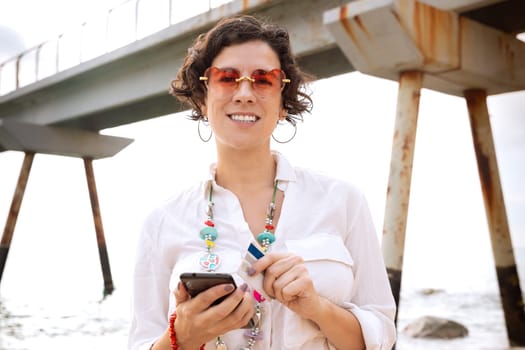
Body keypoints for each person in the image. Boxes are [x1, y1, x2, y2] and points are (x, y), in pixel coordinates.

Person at [128, 14, 396, 350]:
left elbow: (383, 337)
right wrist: (180, 336)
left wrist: (317, 307)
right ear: (202, 97)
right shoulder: (161, 222)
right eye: (227, 78)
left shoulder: (343, 200)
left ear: (283, 103)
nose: (244, 93)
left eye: (263, 79)